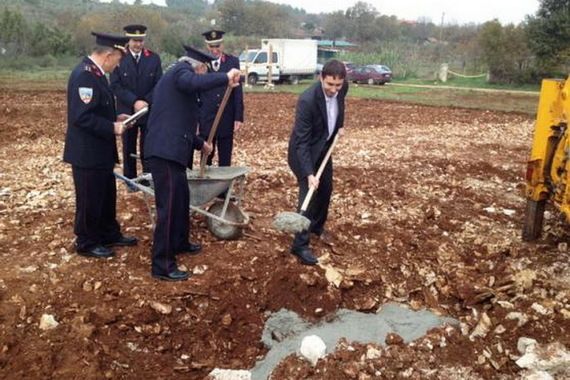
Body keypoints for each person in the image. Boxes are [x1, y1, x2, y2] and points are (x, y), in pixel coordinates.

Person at [144, 45, 241, 281]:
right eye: (204, 72)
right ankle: (162, 265)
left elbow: (179, 121)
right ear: (198, 67)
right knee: (167, 207)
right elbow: (192, 83)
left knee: (181, 200)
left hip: (174, 151)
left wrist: (201, 145)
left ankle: (179, 243)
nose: (203, 77)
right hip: (164, 152)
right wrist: (224, 77)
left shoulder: (181, 80)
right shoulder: (180, 71)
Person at [63, 32, 138, 259]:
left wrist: (116, 118)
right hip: (87, 152)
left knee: (106, 195)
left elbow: (98, 109)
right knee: (89, 198)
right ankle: (86, 241)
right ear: (108, 55)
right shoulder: (84, 76)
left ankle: (108, 233)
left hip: (101, 151)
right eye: (117, 60)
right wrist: (111, 128)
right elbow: (81, 117)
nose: (117, 66)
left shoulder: (97, 74)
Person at [287, 59, 349, 265]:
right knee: (309, 195)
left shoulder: (342, 88)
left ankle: (316, 226)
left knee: (326, 189)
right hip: (303, 153)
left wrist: (340, 125)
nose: (333, 89)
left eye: (337, 85)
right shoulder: (307, 100)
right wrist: (309, 174)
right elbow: (302, 143)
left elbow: (341, 103)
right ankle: (300, 245)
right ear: (321, 78)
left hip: (323, 148)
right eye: (329, 84)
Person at [110, 24, 162, 183]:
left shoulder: (153, 58)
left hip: (148, 110)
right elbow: (115, 85)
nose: (138, 44)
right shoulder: (119, 58)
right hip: (127, 110)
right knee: (128, 145)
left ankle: (147, 177)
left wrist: (146, 101)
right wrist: (134, 101)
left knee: (148, 145)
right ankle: (130, 179)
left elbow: (159, 84)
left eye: (140, 40)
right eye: (134, 41)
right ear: (128, 40)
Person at [198, 29, 244, 167]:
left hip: (226, 117)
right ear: (207, 46)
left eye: (217, 46)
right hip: (206, 117)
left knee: (225, 158)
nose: (215, 50)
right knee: (206, 157)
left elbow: (237, 90)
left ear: (222, 45)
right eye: (211, 47)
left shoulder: (232, 61)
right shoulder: (201, 63)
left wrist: (238, 116)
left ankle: (224, 187)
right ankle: (206, 185)